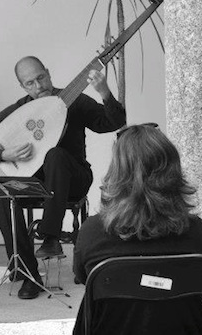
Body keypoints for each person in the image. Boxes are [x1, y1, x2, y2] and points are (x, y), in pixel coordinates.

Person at [0, 56, 126, 299]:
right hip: (37, 183)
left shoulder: (73, 100)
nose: (38, 86)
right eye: (29, 83)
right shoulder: (21, 109)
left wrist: (104, 91)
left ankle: (50, 237)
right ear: (23, 87)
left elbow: (114, 122)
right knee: (1, 198)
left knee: (54, 155)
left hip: (74, 179)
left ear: (48, 72)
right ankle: (27, 271)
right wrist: (3, 153)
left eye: (40, 78)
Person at [73, 124, 202, 335]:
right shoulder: (198, 232)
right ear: (173, 171)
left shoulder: (93, 231)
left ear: (117, 172)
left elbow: (82, 276)